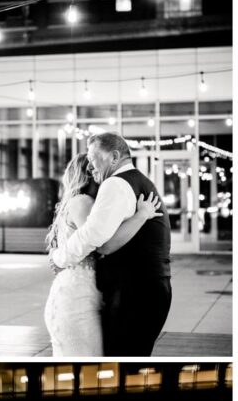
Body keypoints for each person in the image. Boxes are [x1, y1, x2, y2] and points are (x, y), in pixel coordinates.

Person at [51, 133, 171, 355]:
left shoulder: (115, 183)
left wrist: (59, 257)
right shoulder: (138, 181)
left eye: (93, 158)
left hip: (135, 292)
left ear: (114, 157)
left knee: (121, 360)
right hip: (150, 288)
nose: (90, 164)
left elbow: (97, 240)